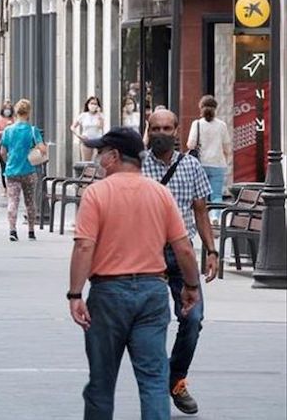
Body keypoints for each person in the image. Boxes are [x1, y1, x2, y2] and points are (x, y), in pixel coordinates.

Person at [68, 126, 201, 420]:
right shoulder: (160, 194)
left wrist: (75, 293)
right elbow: (185, 249)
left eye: (101, 153)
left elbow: (83, 248)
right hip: (152, 294)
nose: (98, 159)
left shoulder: (96, 194)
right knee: (153, 380)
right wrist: (191, 286)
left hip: (108, 295)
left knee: (101, 383)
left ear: (114, 156)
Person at [143, 109, 219, 414]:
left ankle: (175, 378)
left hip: (181, 253)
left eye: (167, 128)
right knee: (151, 323)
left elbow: (200, 211)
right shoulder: (135, 166)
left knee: (193, 318)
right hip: (145, 254)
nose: (162, 132)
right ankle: (154, 382)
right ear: (148, 131)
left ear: (177, 131)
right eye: (156, 128)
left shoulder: (191, 166)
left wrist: (212, 251)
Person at [0, 99, 45, 242]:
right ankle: (31, 231)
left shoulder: (8, 130)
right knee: (30, 202)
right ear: (28, 112)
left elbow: (2, 151)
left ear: (16, 112)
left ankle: (12, 230)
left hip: (12, 170)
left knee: (13, 201)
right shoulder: (33, 130)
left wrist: (9, 161)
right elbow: (42, 149)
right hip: (29, 170)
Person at [186, 95, 233, 224]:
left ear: (201, 108)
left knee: (201, 194)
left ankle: (202, 218)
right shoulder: (221, 125)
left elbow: (190, 145)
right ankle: (215, 218)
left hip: (200, 164)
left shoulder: (196, 124)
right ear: (215, 109)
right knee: (217, 194)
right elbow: (227, 146)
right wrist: (225, 158)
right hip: (218, 164)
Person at [71, 96, 105, 161]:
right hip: (86, 139)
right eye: (91, 103)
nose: (93, 105)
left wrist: (99, 115)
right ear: (88, 104)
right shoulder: (83, 115)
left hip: (97, 140)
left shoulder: (100, 115)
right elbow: (73, 127)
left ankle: (96, 171)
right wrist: (79, 136)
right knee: (86, 162)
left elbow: (100, 126)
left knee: (97, 161)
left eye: (95, 104)